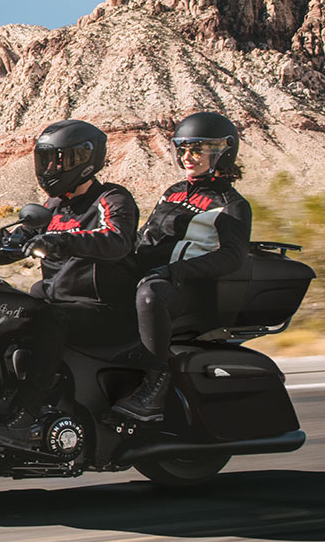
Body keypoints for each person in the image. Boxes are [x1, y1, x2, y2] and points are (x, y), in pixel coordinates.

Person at [0, 119, 141, 449]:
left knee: (48, 320)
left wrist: (61, 241)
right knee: (2, 309)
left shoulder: (111, 198)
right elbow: (17, 242)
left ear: (84, 159)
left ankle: (26, 416)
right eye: (45, 161)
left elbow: (116, 240)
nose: (49, 169)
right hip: (60, 301)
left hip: (103, 308)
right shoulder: (53, 207)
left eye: (57, 161)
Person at [113, 111, 252, 422]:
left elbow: (233, 256)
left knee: (151, 294)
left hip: (186, 287)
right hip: (155, 276)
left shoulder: (231, 204)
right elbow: (146, 235)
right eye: (183, 149)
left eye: (197, 150)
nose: (188, 157)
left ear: (222, 152)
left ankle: (155, 387)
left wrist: (174, 271)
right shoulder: (174, 191)